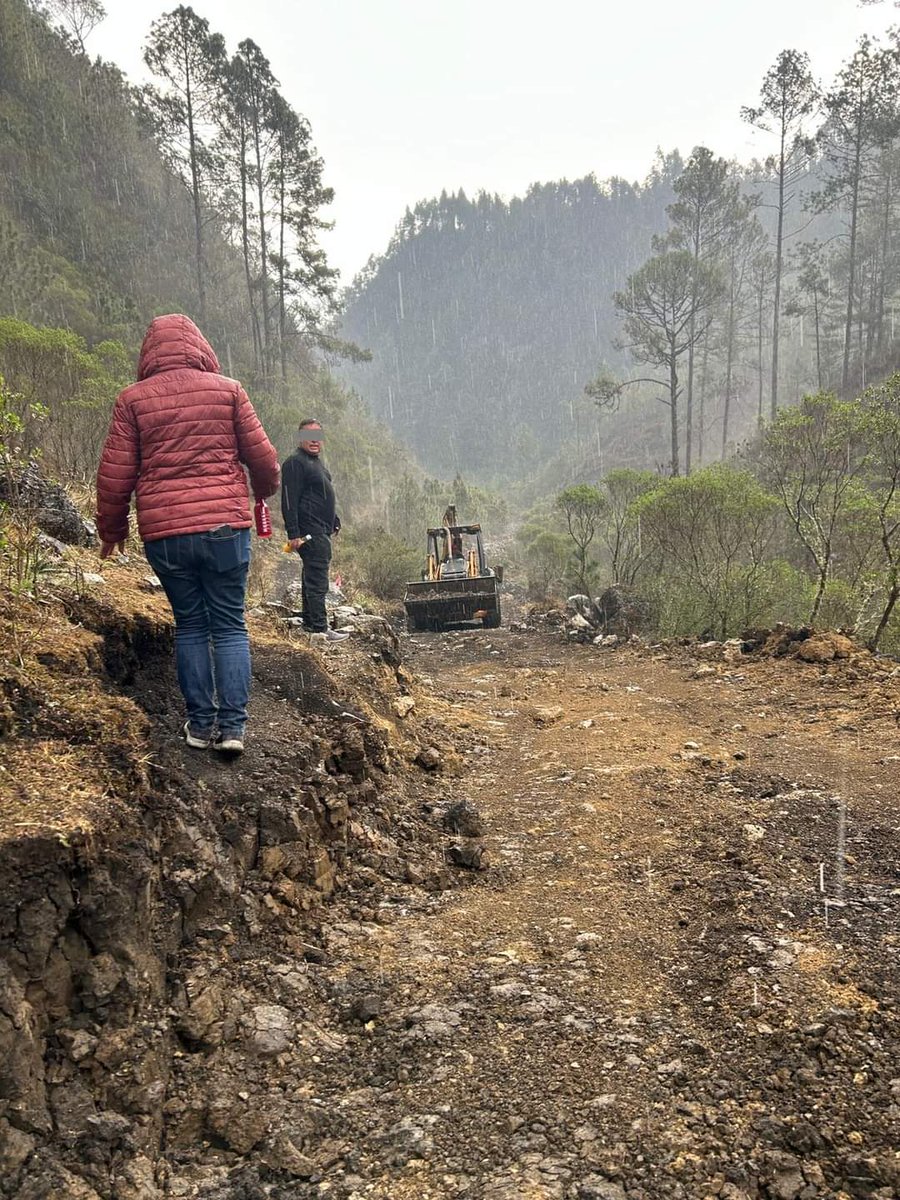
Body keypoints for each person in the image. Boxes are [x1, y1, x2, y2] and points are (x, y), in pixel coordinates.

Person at [95, 314, 280, 756]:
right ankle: (233, 729)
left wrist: (112, 529)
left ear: (148, 354)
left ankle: (200, 726)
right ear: (200, 347)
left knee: (192, 625)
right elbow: (266, 459)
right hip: (224, 529)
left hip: (167, 534)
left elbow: (115, 476)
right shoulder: (228, 391)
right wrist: (263, 492)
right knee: (230, 625)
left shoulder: (132, 400)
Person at [280, 419, 349, 642]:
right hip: (309, 531)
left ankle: (311, 624)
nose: (314, 440)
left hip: (321, 529)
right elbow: (289, 501)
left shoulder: (316, 463)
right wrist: (293, 534)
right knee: (318, 578)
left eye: (318, 435)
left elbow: (320, 496)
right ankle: (321, 628)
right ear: (300, 438)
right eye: (308, 435)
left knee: (311, 574)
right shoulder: (295, 463)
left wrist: (333, 520)